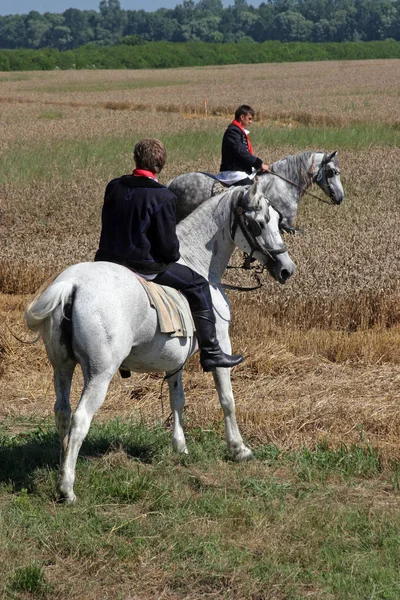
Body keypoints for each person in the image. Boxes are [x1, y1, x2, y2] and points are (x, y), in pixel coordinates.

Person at [95, 138, 244, 372]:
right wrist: (170, 251)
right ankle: (212, 352)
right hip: (143, 267)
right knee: (198, 284)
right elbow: (168, 250)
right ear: (160, 165)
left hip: (106, 261)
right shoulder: (163, 197)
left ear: (136, 159)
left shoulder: (114, 186)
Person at [217, 104, 270, 186]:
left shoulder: (239, 131)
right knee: (251, 193)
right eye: (249, 119)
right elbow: (241, 152)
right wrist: (259, 164)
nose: (250, 122)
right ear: (242, 117)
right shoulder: (233, 131)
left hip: (242, 170)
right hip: (234, 172)